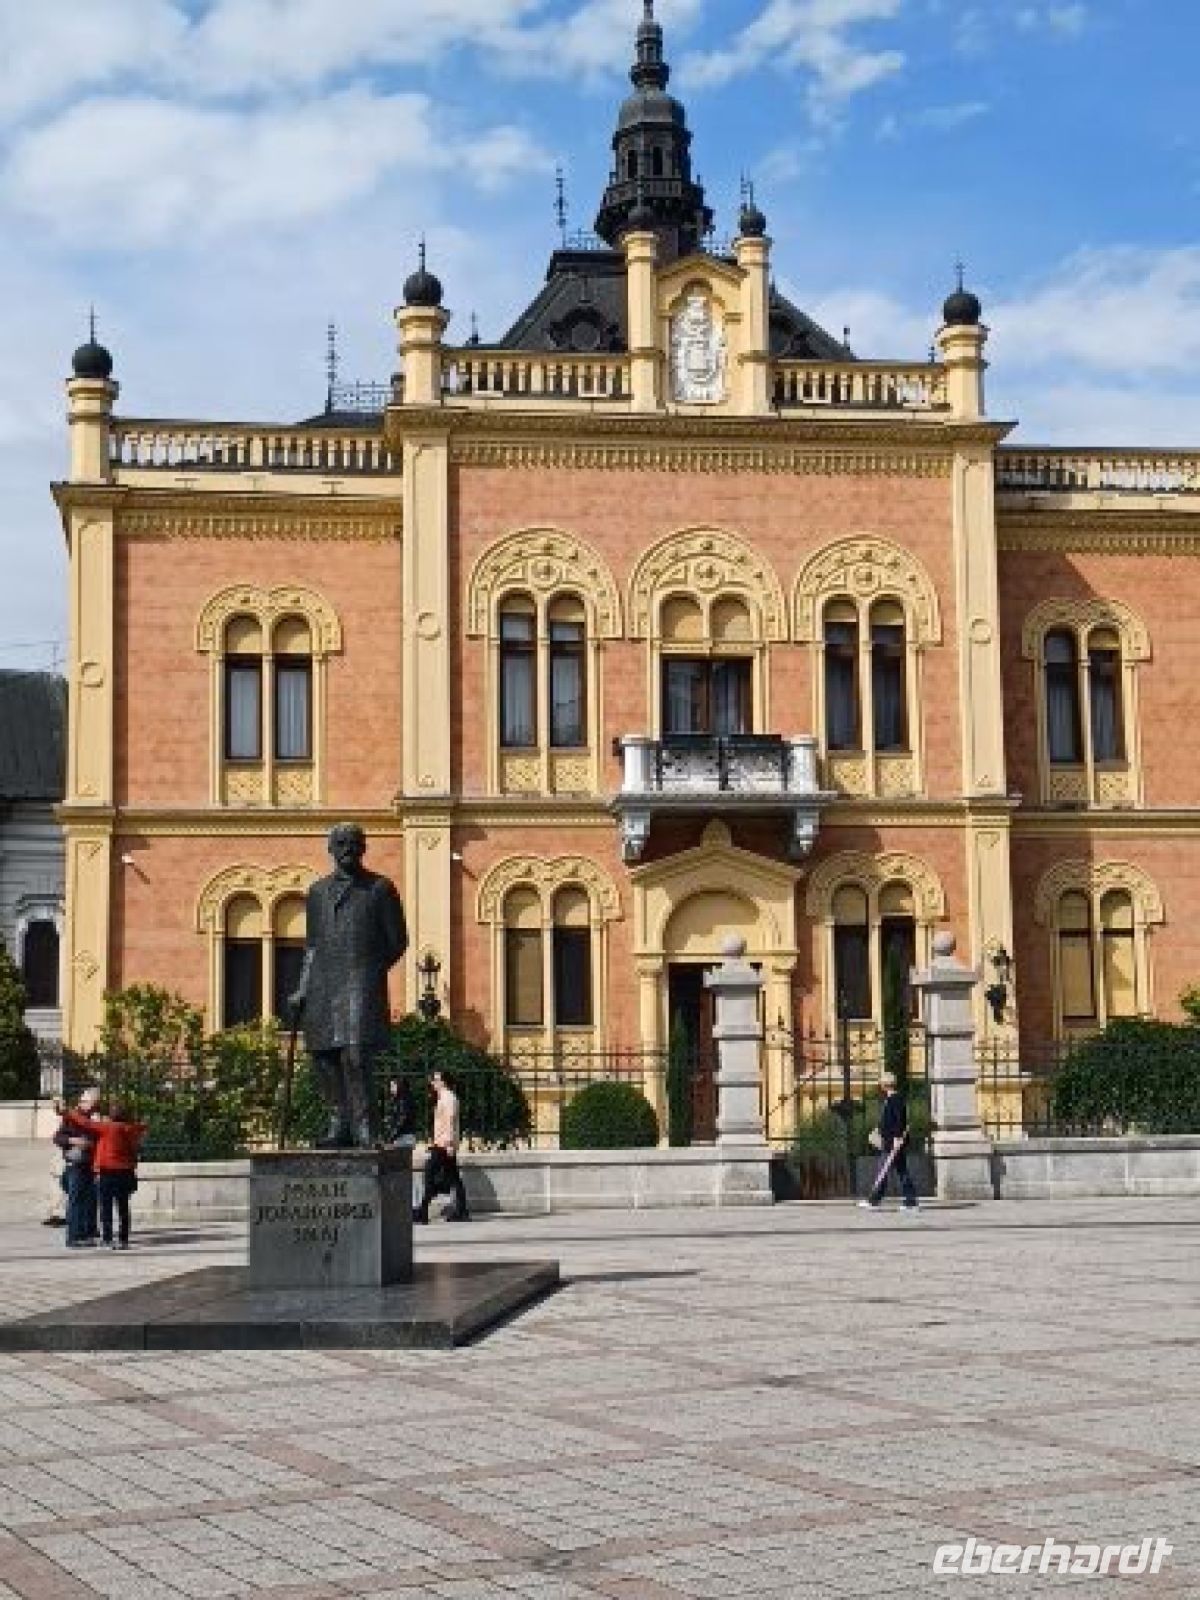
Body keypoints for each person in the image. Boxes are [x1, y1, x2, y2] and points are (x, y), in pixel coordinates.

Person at [288, 823, 407, 1149]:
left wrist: (369, 970)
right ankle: (338, 1124)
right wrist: (302, 988)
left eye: (354, 843)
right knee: (324, 1057)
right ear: (331, 848)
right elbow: (311, 947)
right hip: (323, 986)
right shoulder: (316, 893)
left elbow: (398, 941)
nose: (348, 849)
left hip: (360, 983)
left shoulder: (380, 889)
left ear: (363, 848)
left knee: (355, 1056)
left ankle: (365, 1128)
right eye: (341, 843)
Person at [60, 1101, 147, 1249]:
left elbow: (85, 1123)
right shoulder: (132, 1129)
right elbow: (141, 1132)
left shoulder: (107, 1128)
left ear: (111, 1116)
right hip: (126, 1172)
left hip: (108, 1172)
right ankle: (123, 1239)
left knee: (106, 1207)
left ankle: (107, 1238)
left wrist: (68, 1111)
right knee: (123, 1207)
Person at [413, 1070, 470, 1224]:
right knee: (453, 1177)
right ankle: (461, 1211)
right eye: (432, 1080)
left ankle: (423, 1211)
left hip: (445, 1144)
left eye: (436, 1079)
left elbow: (450, 1121)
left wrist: (449, 1143)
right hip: (441, 1143)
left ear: (443, 1082)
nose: (433, 1082)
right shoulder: (443, 1097)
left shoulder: (449, 1098)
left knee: (430, 1173)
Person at [859, 1070, 919, 1211]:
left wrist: (896, 1139)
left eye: (881, 1083)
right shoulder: (893, 1099)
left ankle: (874, 1200)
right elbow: (890, 1121)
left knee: (883, 1171)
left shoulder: (895, 1099)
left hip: (892, 1142)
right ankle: (910, 1201)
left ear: (884, 1085)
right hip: (893, 1141)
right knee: (901, 1171)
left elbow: (898, 1122)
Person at [54, 1086, 100, 1247]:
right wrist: (73, 1141)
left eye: (93, 1103)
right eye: (86, 1102)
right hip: (75, 1164)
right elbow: (58, 1138)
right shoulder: (72, 1116)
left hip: (92, 1163)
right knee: (75, 1200)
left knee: (90, 1200)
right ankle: (73, 1237)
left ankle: (88, 1233)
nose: (87, 1105)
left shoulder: (97, 1117)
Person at [384, 1077, 417, 1148]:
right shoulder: (402, 1099)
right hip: (406, 1136)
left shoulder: (403, 1101)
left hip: (403, 1137)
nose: (391, 1089)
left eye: (393, 1086)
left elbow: (401, 1119)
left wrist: (391, 1136)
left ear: (399, 1086)